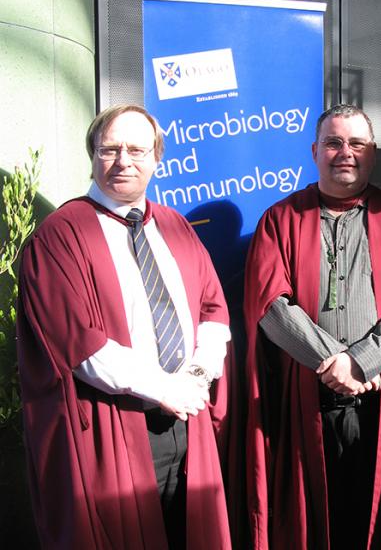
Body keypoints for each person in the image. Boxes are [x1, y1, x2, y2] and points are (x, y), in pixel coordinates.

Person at [17, 104, 233, 549]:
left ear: (157, 158)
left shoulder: (174, 225)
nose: (122, 161)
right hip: (113, 427)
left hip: (185, 423)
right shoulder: (60, 236)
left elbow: (213, 308)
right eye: (109, 149)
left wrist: (193, 379)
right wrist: (165, 388)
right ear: (92, 155)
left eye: (136, 149)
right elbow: (77, 342)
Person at [244, 104, 381, 549]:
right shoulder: (279, 219)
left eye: (356, 144)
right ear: (315, 151)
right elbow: (269, 304)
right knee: (318, 522)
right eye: (333, 143)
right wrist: (332, 361)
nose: (344, 153)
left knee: (377, 517)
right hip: (307, 398)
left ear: (372, 154)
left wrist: (362, 361)